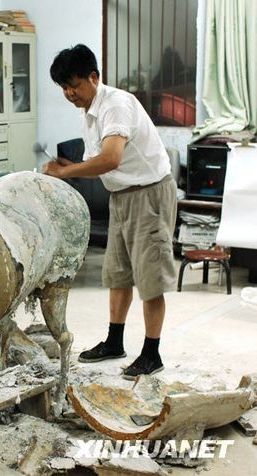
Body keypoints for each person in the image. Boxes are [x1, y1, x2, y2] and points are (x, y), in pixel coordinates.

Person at [43, 44, 177, 379]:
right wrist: (70, 166)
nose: (69, 93)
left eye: (74, 85)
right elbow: (98, 162)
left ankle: (152, 353)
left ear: (93, 77)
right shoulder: (88, 110)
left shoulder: (115, 104)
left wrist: (66, 171)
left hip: (148, 194)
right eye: (63, 87)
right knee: (119, 274)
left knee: (150, 278)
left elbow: (111, 158)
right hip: (121, 196)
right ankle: (114, 342)